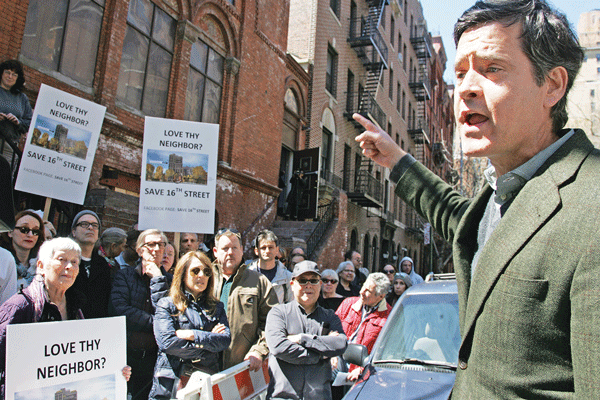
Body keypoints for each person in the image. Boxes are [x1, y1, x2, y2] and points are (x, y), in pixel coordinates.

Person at [354, 0, 599, 397]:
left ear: (552, 84)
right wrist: (395, 158)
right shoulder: (499, 196)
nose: (466, 88)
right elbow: (460, 220)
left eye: (492, 69)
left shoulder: (591, 206)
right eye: (461, 71)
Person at [0, 238, 131, 396]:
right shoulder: (19, 307)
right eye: (61, 260)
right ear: (41, 266)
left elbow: (84, 362)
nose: (69, 267)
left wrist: (115, 370)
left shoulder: (76, 307)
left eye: (75, 262)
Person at [150, 251, 231, 400]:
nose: (201, 275)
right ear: (183, 274)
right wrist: (208, 344)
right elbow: (168, 343)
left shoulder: (216, 307)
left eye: (207, 272)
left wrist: (193, 335)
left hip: (205, 382)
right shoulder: (167, 305)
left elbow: (225, 340)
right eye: (195, 271)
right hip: (171, 384)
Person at [265, 261, 347, 400]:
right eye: (302, 280)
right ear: (292, 285)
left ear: (320, 285)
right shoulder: (278, 313)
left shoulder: (330, 316)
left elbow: (340, 343)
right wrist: (320, 354)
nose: (308, 285)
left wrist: (302, 339)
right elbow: (278, 347)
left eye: (313, 280)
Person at [111, 229, 172, 400]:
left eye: (161, 245)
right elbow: (119, 310)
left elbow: (170, 317)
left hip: (154, 360)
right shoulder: (124, 275)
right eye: (151, 244)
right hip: (127, 356)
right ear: (139, 250)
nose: (156, 249)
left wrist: (159, 280)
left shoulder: (171, 281)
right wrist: (155, 323)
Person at [211, 228, 278, 371]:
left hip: (242, 367)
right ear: (215, 252)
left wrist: (258, 350)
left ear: (242, 250)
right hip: (206, 366)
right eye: (225, 248)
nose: (230, 252)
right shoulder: (204, 278)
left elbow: (273, 322)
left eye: (234, 248)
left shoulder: (259, 281)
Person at [335, 273, 391, 380]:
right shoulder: (348, 304)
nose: (361, 292)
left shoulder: (388, 317)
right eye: (363, 287)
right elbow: (332, 329)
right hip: (338, 359)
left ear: (381, 296)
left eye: (368, 291)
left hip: (364, 370)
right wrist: (332, 355)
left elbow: (386, 353)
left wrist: (363, 369)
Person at [70, 210, 111, 319]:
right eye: (84, 224)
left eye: (94, 225)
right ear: (74, 231)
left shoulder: (103, 265)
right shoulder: (66, 262)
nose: (90, 228)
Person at [1, 210, 44, 290]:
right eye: (24, 229)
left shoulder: (42, 267)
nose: (30, 235)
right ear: (10, 232)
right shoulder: (2, 260)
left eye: (35, 231)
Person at [0, 60, 32, 165]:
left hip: (10, 146)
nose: (10, 76)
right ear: (1, 73)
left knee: (4, 178)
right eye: (7, 72)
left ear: (18, 78)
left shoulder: (22, 98)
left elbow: (29, 123)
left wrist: (18, 122)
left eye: (14, 74)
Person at [248, 230, 293, 303]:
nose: (267, 251)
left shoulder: (287, 277)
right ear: (256, 251)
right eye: (263, 248)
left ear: (277, 250)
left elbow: (291, 306)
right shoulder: (247, 276)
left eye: (270, 247)